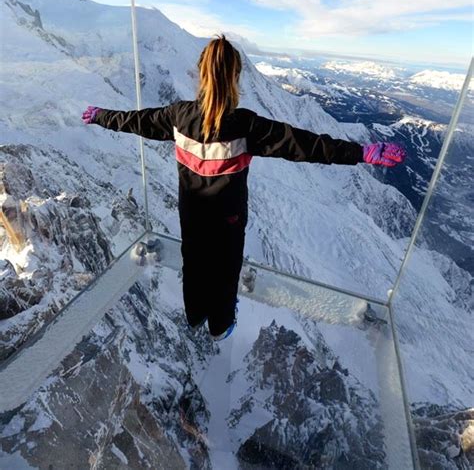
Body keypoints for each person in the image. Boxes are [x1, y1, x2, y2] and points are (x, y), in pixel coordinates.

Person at [82, 35, 406, 341]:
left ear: (201, 74)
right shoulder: (246, 125)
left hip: (192, 210)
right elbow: (304, 144)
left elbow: (136, 120)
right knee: (225, 268)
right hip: (228, 218)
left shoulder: (177, 116)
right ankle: (220, 325)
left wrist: (100, 116)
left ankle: (194, 314)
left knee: (193, 259)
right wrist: (360, 153)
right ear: (235, 77)